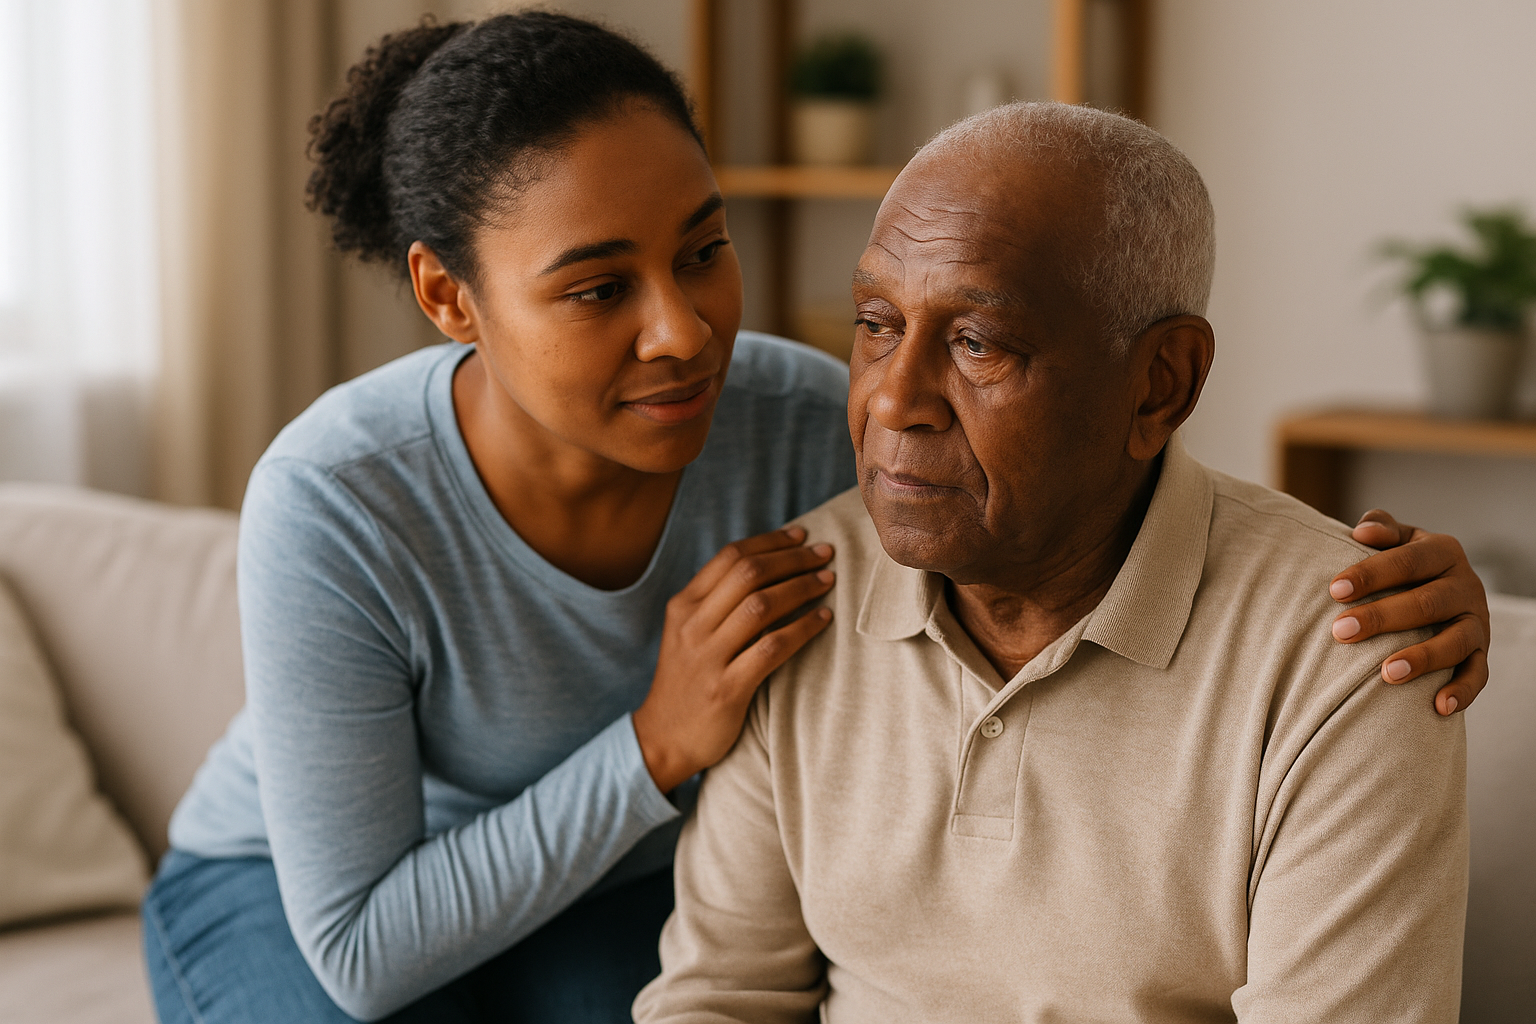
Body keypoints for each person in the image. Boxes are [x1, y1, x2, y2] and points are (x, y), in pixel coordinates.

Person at [139, 14, 1487, 1024]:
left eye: (706, 251)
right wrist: (659, 744)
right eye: (599, 288)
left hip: (606, 884)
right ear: (450, 300)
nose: (686, 333)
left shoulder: (806, 422)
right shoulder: (338, 497)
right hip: (326, 897)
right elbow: (367, 951)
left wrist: (1425, 599)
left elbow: (1128, 508)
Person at [634, 102, 1472, 1024]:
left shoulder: (1355, 650)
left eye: (977, 343)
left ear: (1162, 384)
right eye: (877, 322)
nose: (893, 399)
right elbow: (717, 998)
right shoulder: (798, 597)